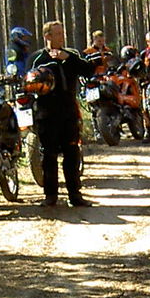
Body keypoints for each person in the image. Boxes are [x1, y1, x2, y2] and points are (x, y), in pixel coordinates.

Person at [26, 20, 97, 208]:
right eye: (57, 34)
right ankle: (50, 196)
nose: (61, 37)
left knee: (72, 154)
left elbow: (88, 70)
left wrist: (68, 58)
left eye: (62, 33)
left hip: (68, 112)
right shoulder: (36, 58)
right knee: (48, 156)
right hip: (46, 113)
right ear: (47, 36)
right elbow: (27, 82)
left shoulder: (71, 54)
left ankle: (75, 195)